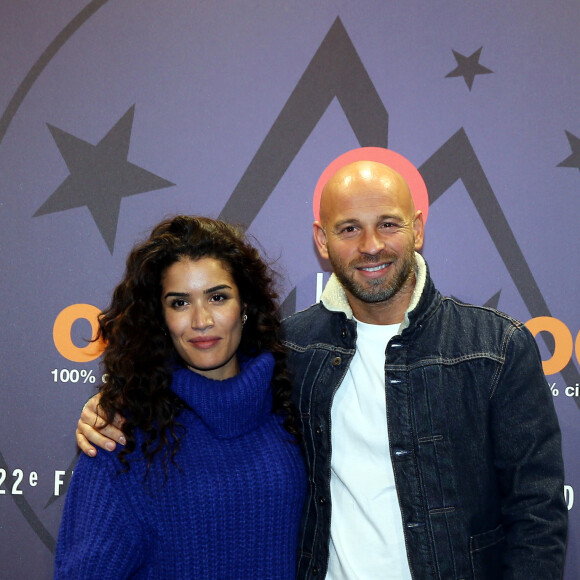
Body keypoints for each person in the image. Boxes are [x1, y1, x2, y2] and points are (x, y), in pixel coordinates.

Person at [76, 153, 568, 579]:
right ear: (321, 239)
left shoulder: (496, 347)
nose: (370, 245)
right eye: (349, 228)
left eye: (389, 223)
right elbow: (200, 371)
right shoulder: (290, 350)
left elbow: (537, 517)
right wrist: (113, 405)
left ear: (418, 228)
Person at [56, 215, 306, 579]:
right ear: (160, 316)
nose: (201, 320)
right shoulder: (121, 433)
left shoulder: (292, 403)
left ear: (246, 306)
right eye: (179, 303)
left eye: (217, 297)